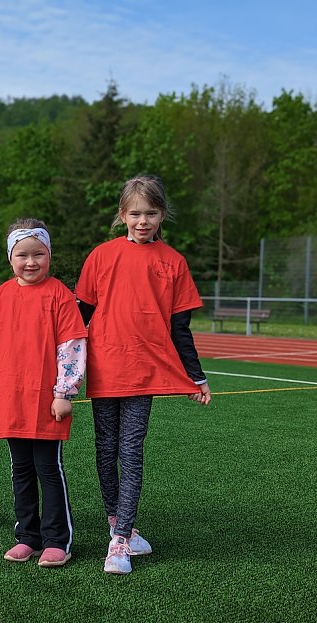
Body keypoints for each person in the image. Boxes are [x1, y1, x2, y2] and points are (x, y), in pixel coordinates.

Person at [75, 175, 211, 575]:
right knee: (105, 448)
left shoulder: (173, 263)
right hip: (104, 367)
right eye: (135, 213)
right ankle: (119, 524)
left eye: (151, 213)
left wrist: (195, 376)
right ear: (122, 216)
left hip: (144, 371)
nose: (143, 220)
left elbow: (179, 328)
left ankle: (119, 543)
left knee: (131, 450)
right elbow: (79, 315)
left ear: (162, 215)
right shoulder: (101, 256)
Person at [0, 219, 87, 568]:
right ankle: (27, 536)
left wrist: (64, 392)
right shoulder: (0, 296)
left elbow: (72, 345)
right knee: (20, 468)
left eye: (39, 254)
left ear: (49, 256)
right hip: (9, 397)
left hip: (46, 399)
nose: (31, 262)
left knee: (48, 468)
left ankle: (57, 540)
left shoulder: (60, 296)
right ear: (10, 258)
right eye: (22, 255)